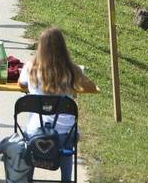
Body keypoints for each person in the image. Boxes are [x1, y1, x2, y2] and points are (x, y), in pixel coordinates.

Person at [17, 28, 98, 182]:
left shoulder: (31, 68)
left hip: (36, 131)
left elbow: (21, 84)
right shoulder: (71, 70)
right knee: (67, 145)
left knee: (29, 141)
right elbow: (92, 87)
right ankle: (66, 179)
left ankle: (27, 178)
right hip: (64, 133)